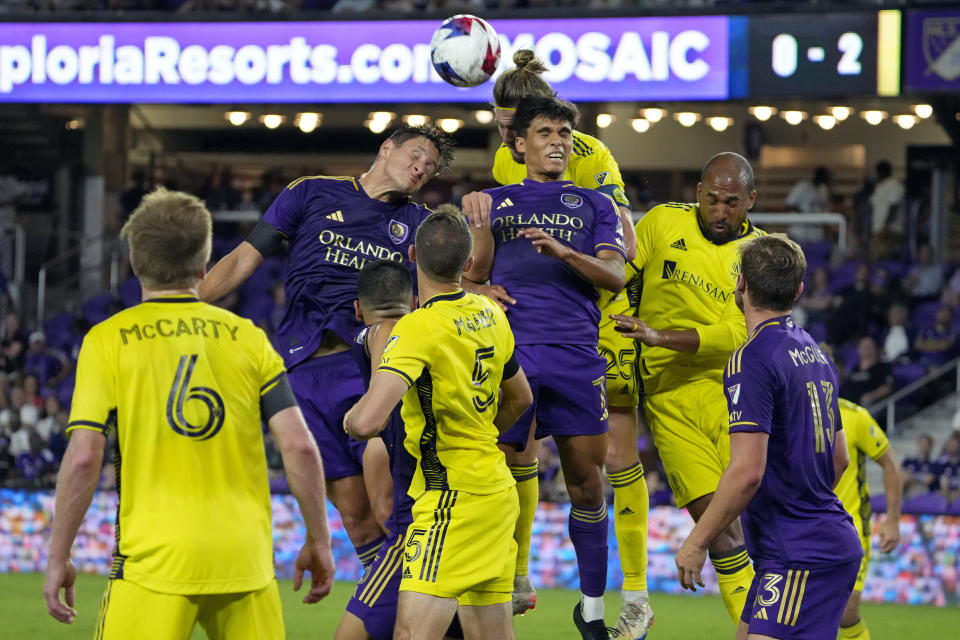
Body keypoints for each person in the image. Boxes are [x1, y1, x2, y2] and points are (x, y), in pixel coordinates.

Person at [42, 188, 335, 638]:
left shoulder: (107, 340)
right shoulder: (248, 338)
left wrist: (58, 554)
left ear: (135, 262)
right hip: (245, 559)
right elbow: (298, 447)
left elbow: (83, 457)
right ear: (203, 265)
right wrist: (319, 539)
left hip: (154, 562)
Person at [198, 125, 454, 566]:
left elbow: (445, 291)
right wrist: (186, 303)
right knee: (355, 518)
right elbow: (244, 256)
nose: (421, 169)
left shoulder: (418, 224)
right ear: (386, 147)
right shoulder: (310, 193)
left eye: (430, 168)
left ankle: (429, 620)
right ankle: (392, 615)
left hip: (372, 376)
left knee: (390, 510)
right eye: (416, 156)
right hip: (301, 378)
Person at [483, 49, 650, 638]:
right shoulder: (497, 191)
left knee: (590, 481)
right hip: (516, 355)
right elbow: (472, 270)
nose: (555, 141)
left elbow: (620, 263)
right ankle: (505, 581)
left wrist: (563, 249)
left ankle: (600, 606)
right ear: (516, 139)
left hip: (584, 348)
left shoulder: (596, 187)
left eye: (564, 132)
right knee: (506, 471)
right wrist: (482, 282)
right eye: (535, 131)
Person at [344, 209, 534, 640]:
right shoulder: (491, 314)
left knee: (411, 634)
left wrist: (351, 419)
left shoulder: (417, 328)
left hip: (450, 499)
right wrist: (478, 429)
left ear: (412, 256)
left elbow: (370, 420)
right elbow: (521, 397)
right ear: (468, 264)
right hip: (497, 493)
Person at [675, 233, 863, 640]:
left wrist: (697, 541)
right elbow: (839, 458)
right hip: (807, 544)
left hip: (799, 553)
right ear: (798, 290)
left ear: (740, 284)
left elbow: (746, 472)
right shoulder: (817, 354)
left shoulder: (752, 358)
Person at [610, 152, 765, 624]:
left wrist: (657, 336)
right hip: (668, 401)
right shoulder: (660, 223)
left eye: (732, 203)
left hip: (734, 394)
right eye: (713, 200)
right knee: (720, 536)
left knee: (765, 526)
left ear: (750, 201)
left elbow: (738, 333)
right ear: (697, 193)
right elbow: (618, 277)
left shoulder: (759, 255)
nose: (720, 212)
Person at [336, 257, 462, 640]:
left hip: (418, 532)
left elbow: (387, 334)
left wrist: (364, 413)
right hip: (469, 511)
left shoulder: (382, 330)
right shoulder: (446, 332)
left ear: (358, 309)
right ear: (414, 298)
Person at [833, 398, 902, 640]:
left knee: (846, 610)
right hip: (805, 524)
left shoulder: (854, 416)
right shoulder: (790, 412)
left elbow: (890, 462)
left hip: (850, 527)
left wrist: (892, 519)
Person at [840, 337, 893, 409]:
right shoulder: (854, 369)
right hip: (851, 406)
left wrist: (872, 395)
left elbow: (887, 388)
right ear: (858, 349)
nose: (867, 349)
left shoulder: (882, 367)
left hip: (872, 406)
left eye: (870, 346)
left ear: (875, 348)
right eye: (864, 346)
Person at [784, 166, 831, 243]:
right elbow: (790, 204)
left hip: (816, 232)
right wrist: (805, 216)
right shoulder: (802, 186)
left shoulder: (824, 189)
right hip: (799, 231)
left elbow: (825, 207)